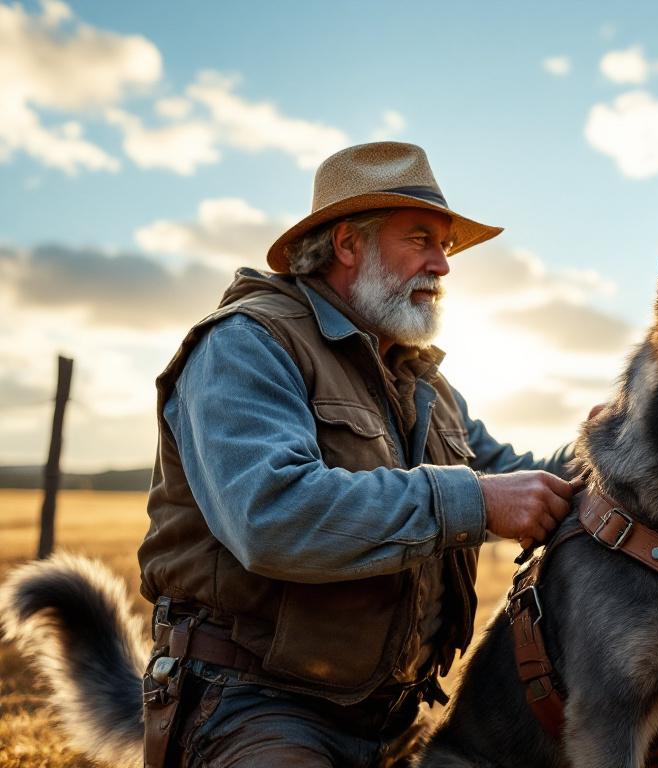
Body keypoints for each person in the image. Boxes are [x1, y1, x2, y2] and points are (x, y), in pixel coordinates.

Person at [137, 142, 580, 767]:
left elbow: (513, 476)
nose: (442, 266)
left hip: (396, 717)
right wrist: (474, 502)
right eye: (421, 239)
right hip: (254, 706)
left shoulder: (421, 380)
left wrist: (612, 441)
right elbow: (271, 515)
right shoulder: (246, 345)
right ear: (348, 245)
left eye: (446, 246)